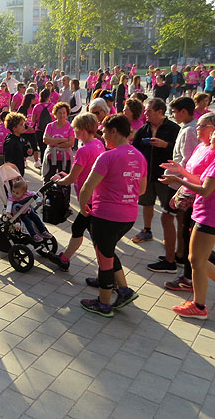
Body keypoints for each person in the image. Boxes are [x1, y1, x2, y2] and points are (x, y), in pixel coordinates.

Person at [160, 123, 215, 319]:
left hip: (209, 218)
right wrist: (182, 172)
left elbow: (205, 190)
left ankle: (199, 306)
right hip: (211, 217)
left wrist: (178, 181)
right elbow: (203, 182)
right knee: (198, 260)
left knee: (197, 262)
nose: (211, 138)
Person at [78, 114, 148, 317]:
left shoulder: (108, 156)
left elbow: (87, 188)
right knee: (108, 252)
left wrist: (82, 207)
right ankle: (123, 290)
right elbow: (142, 190)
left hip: (105, 216)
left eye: (105, 131)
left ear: (114, 131)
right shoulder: (139, 156)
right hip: (128, 216)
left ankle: (104, 303)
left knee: (104, 260)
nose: (103, 135)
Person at [51, 113, 106, 271]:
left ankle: (108, 271)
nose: (73, 130)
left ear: (82, 129)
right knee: (79, 229)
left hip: (88, 199)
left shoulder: (83, 150)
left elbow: (72, 178)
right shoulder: (98, 144)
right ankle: (64, 259)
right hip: (96, 195)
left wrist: (57, 181)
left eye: (75, 127)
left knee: (96, 238)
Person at [131, 98, 181, 273]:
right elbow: (135, 148)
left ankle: (171, 242)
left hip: (165, 177)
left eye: (149, 111)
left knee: (168, 211)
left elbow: (179, 151)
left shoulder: (173, 129)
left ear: (160, 111)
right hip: (147, 175)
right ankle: (147, 230)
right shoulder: (143, 129)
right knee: (146, 203)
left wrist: (165, 145)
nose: (145, 113)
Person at [3, 112, 30, 177]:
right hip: (12, 172)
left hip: (20, 169)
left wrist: (28, 152)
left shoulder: (21, 138)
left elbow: (23, 152)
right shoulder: (10, 141)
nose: (24, 126)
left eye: (23, 124)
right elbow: (8, 159)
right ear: (14, 128)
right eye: (21, 125)